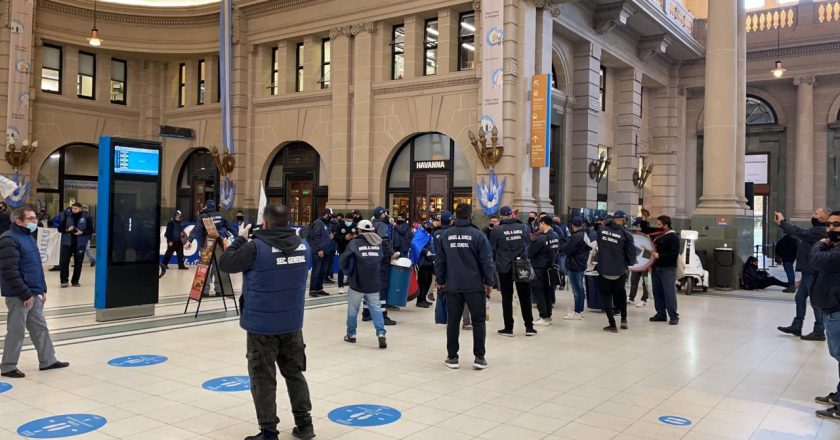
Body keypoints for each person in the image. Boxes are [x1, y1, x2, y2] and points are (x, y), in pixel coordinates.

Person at [217, 204, 315, 440]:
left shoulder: (255, 247)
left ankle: (269, 431)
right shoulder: (304, 246)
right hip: (292, 323)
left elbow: (226, 264)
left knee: (263, 378)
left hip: (261, 326)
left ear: (266, 222)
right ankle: (305, 425)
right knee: (295, 374)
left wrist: (240, 239)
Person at [1, 206, 69, 378]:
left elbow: (35, 266)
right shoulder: (8, 239)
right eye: (30, 218)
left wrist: (42, 289)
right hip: (19, 295)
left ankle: (48, 360)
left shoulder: (28, 237)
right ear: (18, 221)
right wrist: (24, 293)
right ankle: (8, 366)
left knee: (40, 328)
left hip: (34, 292)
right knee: (16, 330)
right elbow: (9, 271)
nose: (35, 221)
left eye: (34, 218)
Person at [435, 204, 494, 370]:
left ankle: (452, 357)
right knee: (478, 321)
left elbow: (440, 260)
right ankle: (479, 357)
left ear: (455, 216)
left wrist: (440, 280)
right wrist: (489, 282)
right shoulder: (478, 235)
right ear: (470, 215)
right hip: (474, 285)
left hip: (452, 285)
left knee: (453, 321)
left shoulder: (446, 235)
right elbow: (486, 261)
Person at [776, 209, 828, 341]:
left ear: (823, 218)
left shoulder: (820, 230)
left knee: (816, 301)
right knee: (799, 298)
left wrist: (783, 221)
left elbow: (799, 232)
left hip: (812, 271)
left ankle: (819, 330)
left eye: (816, 214)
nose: (812, 215)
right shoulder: (814, 231)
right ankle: (797, 325)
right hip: (807, 272)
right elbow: (797, 235)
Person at [810, 211, 840, 419]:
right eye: (829, 224)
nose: (831, 228)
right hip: (832, 308)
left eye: (836, 225)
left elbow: (817, 260)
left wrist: (820, 243)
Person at [340, 220, 388, 349]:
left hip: (357, 282)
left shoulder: (354, 243)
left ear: (359, 230)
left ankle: (351, 335)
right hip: (373, 283)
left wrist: (348, 273)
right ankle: (381, 334)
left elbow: (343, 259)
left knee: (353, 310)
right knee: (376, 309)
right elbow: (383, 258)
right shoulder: (378, 243)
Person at [490, 206, 536, 337]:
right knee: (525, 296)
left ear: (501, 217)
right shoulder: (523, 227)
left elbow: (492, 249)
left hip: (504, 267)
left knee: (507, 297)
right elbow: (528, 243)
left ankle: (508, 328)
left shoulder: (497, 230)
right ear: (511, 215)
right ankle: (529, 327)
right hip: (521, 265)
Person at [596, 211, 638, 333]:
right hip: (619, 270)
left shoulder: (601, 229)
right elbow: (631, 253)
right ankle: (624, 320)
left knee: (606, 297)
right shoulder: (627, 234)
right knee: (621, 295)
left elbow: (599, 244)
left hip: (604, 269)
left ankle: (612, 324)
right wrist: (629, 263)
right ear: (624, 220)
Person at [433, 211, 472, 329]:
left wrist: (439, 277)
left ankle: (451, 320)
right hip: (459, 267)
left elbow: (438, 254)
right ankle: (466, 321)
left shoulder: (437, 234)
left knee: (449, 296)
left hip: (444, 268)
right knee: (464, 295)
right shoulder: (454, 232)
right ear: (451, 221)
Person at [186, 200, 232, 297]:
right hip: (219, 243)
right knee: (219, 267)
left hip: (208, 243)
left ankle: (204, 290)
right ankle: (220, 290)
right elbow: (230, 227)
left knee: (204, 267)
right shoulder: (221, 216)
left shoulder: (203, 216)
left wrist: (189, 240)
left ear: (206, 206)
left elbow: (197, 229)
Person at [362, 207, 397, 325]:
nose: (386, 215)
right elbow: (384, 240)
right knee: (382, 287)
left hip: (370, 259)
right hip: (381, 260)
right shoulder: (382, 225)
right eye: (385, 213)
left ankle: (366, 313)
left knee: (369, 286)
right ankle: (382, 315)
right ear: (381, 215)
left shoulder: (370, 225)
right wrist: (392, 253)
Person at [646, 215, 681, 325]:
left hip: (668, 269)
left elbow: (673, 254)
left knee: (669, 293)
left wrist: (659, 255)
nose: (657, 227)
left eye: (659, 225)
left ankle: (673, 316)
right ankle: (661, 314)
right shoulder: (658, 236)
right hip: (656, 268)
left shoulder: (673, 237)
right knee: (657, 292)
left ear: (666, 225)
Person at [529, 216, 558, 326]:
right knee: (547, 292)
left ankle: (543, 316)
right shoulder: (555, 236)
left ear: (543, 223)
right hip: (549, 268)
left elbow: (531, 252)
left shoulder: (540, 238)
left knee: (538, 293)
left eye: (539, 224)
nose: (538, 226)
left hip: (538, 268)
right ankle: (548, 315)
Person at [57, 203, 91, 288]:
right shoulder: (67, 216)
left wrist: (82, 232)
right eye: (72, 208)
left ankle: (75, 281)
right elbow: (59, 228)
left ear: (80, 209)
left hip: (80, 243)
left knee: (78, 263)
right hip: (67, 243)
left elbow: (90, 230)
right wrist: (67, 229)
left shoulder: (86, 217)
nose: (73, 210)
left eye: (75, 208)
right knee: (64, 262)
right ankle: (64, 281)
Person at [563, 216, 589, 320]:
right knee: (581, 289)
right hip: (581, 264)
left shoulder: (575, 237)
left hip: (574, 265)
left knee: (577, 290)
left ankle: (577, 311)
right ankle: (580, 310)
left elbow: (568, 250)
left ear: (572, 225)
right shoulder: (584, 235)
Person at [307, 209, 334, 298]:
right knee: (317, 270)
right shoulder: (318, 223)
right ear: (326, 214)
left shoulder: (327, 224)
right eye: (330, 215)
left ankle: (319, 288)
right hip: (319, 251)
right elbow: (315, 237)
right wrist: (319, 249)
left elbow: (326, 235)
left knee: (322, 271)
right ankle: (313, 289)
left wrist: (330, 236)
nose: (331, 217)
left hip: (326, 251)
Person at [410, 220, 435, 308]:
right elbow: (414, 243)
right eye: (427, 225)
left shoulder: (429, 233)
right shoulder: (419, 233)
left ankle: (424, 298)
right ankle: (419, 300)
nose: (430, 226)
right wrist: (425, 251)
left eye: (430, 225)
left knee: (428, 280)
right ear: (424, 225)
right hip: (423, 261)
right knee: (422, 281)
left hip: (429, 260)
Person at [333, 212, 358, 295]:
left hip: (352, 250)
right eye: (347, 219)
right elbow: (336, 237)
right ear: (345, 219)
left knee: (352, 267)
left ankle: (352, 286)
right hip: (342, 250)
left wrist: (355, 237)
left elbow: (359, 236)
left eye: (350, 220)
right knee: (341, 268)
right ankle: (340, 286)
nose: (349, 221)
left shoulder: (355, 226)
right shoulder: (340, 226)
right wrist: (344, 237)